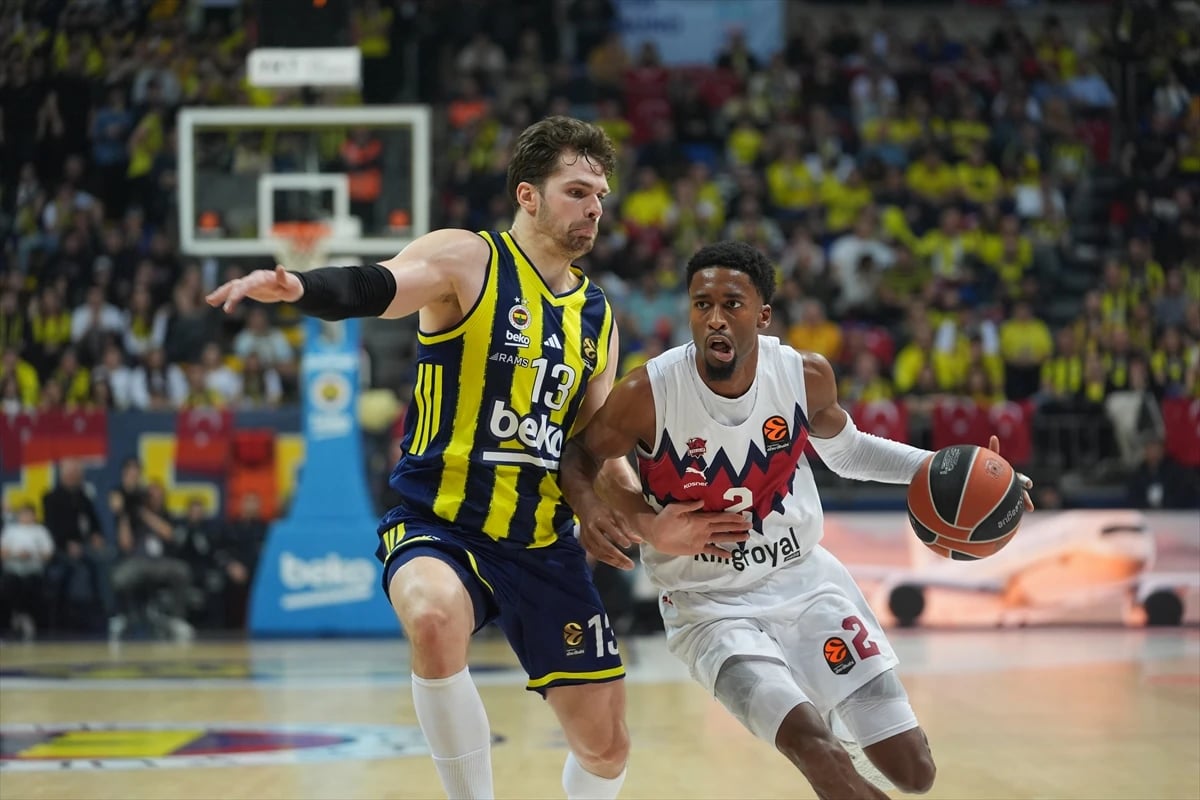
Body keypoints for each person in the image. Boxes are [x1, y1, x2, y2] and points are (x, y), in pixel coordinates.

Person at [206, 117, 742, 800]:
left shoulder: (597, 316)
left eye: (600, 196)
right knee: (433, 618)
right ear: (528, 195)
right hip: (439, 524)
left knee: (606, 750)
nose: (593, 209)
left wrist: (649, 518)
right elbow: (378, 285)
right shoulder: (468, 259)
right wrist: (302, 288)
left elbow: (595, 450)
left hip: (541, 543)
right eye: (577, 192)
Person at [559, 241, 1034, 799]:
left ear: (762, 316)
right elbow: (579, 455)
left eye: (731, 304)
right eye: (701, 304)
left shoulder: (803, 375)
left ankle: (839, 734)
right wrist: (626, 518)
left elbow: (848, 452)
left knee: (915, 771)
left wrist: (958, 475)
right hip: (709, 606)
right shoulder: (650, 391)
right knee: (814, 747)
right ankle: (827, 747)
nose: (714, 318)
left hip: (806, 583)